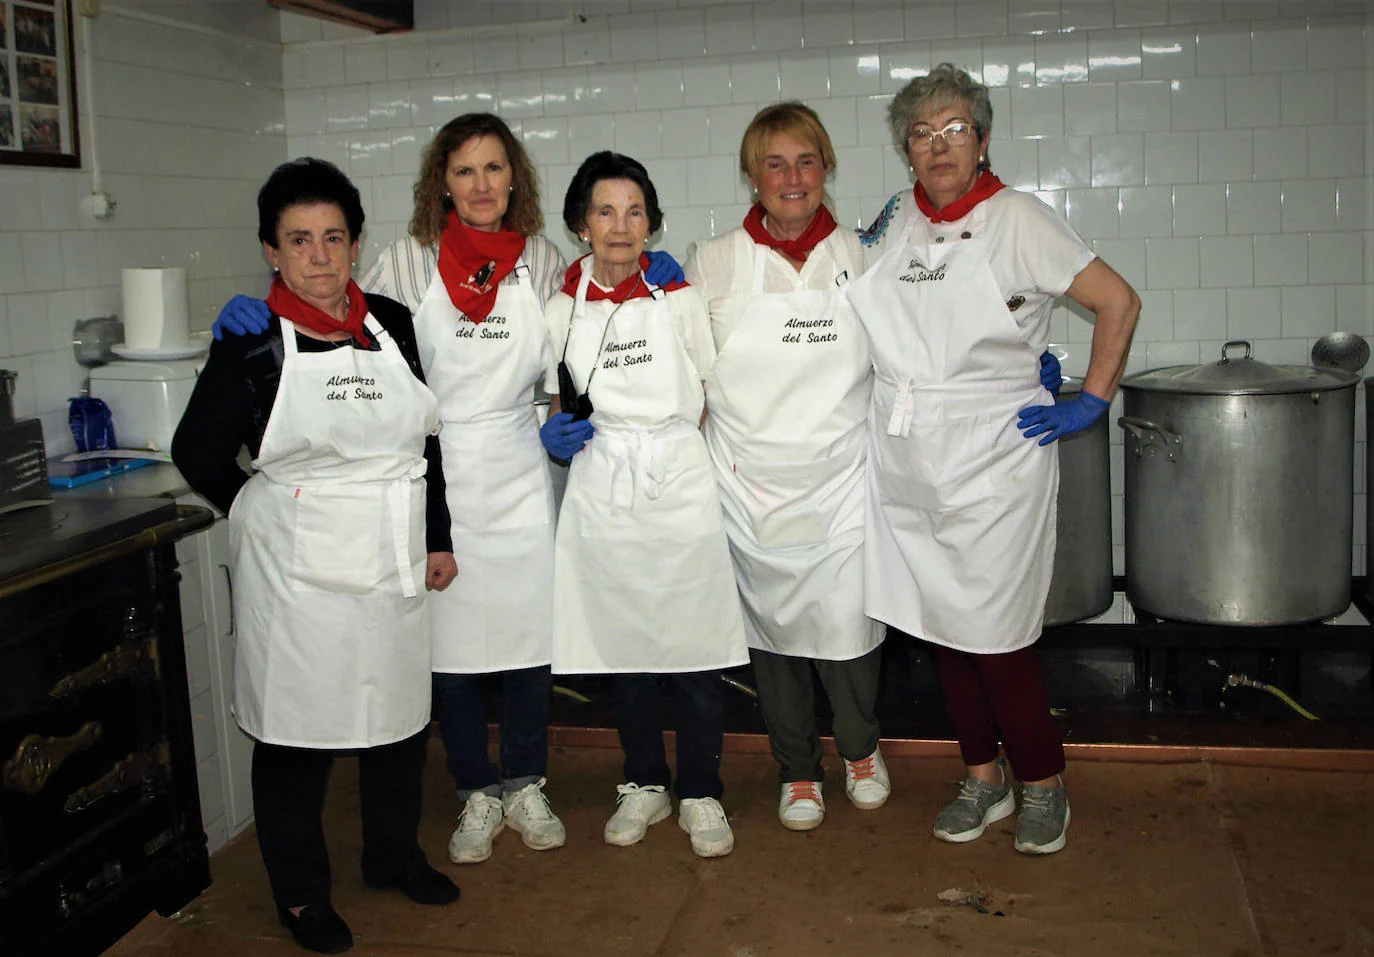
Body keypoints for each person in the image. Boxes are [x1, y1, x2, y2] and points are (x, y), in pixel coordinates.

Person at [212, 114, 685, 868]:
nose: (480, 185)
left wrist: (653, 281)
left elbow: (575, 348)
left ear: (514, 179)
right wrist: (259, 306)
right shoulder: (404, 261)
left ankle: (527, 781)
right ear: (443, 182)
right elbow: (333, 317)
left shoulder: (539, 256)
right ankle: (475, 788)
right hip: (432, 469)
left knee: (531, 639)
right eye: (463, 171)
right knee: (452, 644)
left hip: (522, 465)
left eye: (494, 169)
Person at [846, 63, 1140, 856]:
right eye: (921, 133)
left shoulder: (1021, 220)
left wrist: (1092, 395)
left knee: (999, 636)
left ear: (983, 139)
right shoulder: (893, 220)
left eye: (954, 130)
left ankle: (1043, 780)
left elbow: (1119, 300)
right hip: (909, 454)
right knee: (942, 630)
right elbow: (840, 288)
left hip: (994, 457)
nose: (938, 147)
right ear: (905, 150)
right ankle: (984, 776)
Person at [172, 157, 460, 955]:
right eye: (300, 240)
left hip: (391, 555)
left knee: (398, 716)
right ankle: (301, 893)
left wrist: (437, 534)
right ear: (272, 250)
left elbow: (424, 445)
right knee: (296, 732)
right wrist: (259, 512)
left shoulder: (392, 324)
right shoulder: (252, 338)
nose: (321, 255)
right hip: (297, 570)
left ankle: (392, 854)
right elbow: (195, 451)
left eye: (334, 236)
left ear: (357, 242)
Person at [683, 103, 888, 832]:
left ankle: (862, 751)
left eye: (806, 161)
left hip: (841, 478)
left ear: (826, 168)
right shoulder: (713, 261)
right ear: (751, 176)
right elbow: (688, 378)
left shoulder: (865, 259)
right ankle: (798, 768)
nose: (792, 178)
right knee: (774, 637)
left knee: (848, 629)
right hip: (751, 481)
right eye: (775, 164)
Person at [540, 151, 749, 859]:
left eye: (635, 212)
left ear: (653, 223)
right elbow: (550, 396)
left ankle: (700, 789)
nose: (621, 226)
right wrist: (556, 433)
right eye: (605, 211)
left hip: (677, 480)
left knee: (693, 645)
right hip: (603, 482)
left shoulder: (680, 299)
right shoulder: (560, 309)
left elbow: (714, 387)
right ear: (580, 224)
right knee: (623, 641)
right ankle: (643, 780)